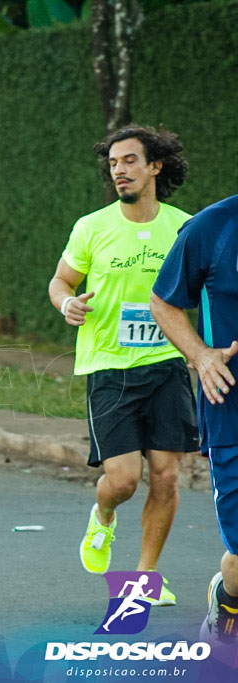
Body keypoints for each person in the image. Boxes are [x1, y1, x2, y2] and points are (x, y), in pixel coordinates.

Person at [48, 125, 198, 606]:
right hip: (109, 368)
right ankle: (104, 516)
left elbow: (208, 289)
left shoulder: (184, 227)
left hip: (166, 364)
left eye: (130, 161)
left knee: (168, 475)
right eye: (114, 164)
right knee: (123, 480)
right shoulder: (91, 227)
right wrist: (65, 304)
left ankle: (145, 578)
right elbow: (61, 281)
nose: (120, 171)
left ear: (155, 166)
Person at [151, 193, 238, 644]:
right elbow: (164, 301)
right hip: (232, 413)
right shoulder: (211, 228)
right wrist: (201, 355)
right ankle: (228, 596)